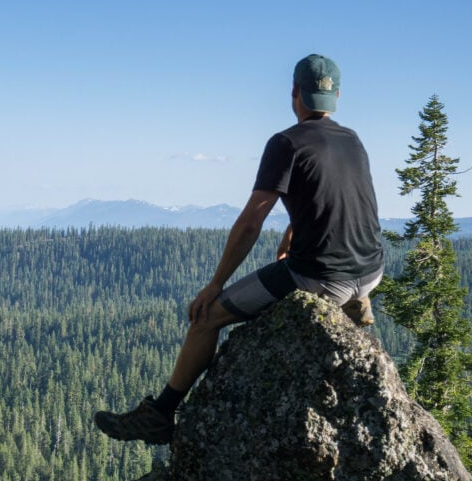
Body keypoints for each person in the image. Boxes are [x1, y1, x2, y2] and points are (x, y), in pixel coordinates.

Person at [94, 54, 384, 445]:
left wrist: (216, 283)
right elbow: (337, 200)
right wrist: (294, 234)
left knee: (205, 318)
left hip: (318, 276)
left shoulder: (286, 142)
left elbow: (251, 221)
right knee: (330, 279)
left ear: (295, 92)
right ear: (337, 98)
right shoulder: (353, 140)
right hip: (371, 271)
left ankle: (160, 413)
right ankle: (354, 303)